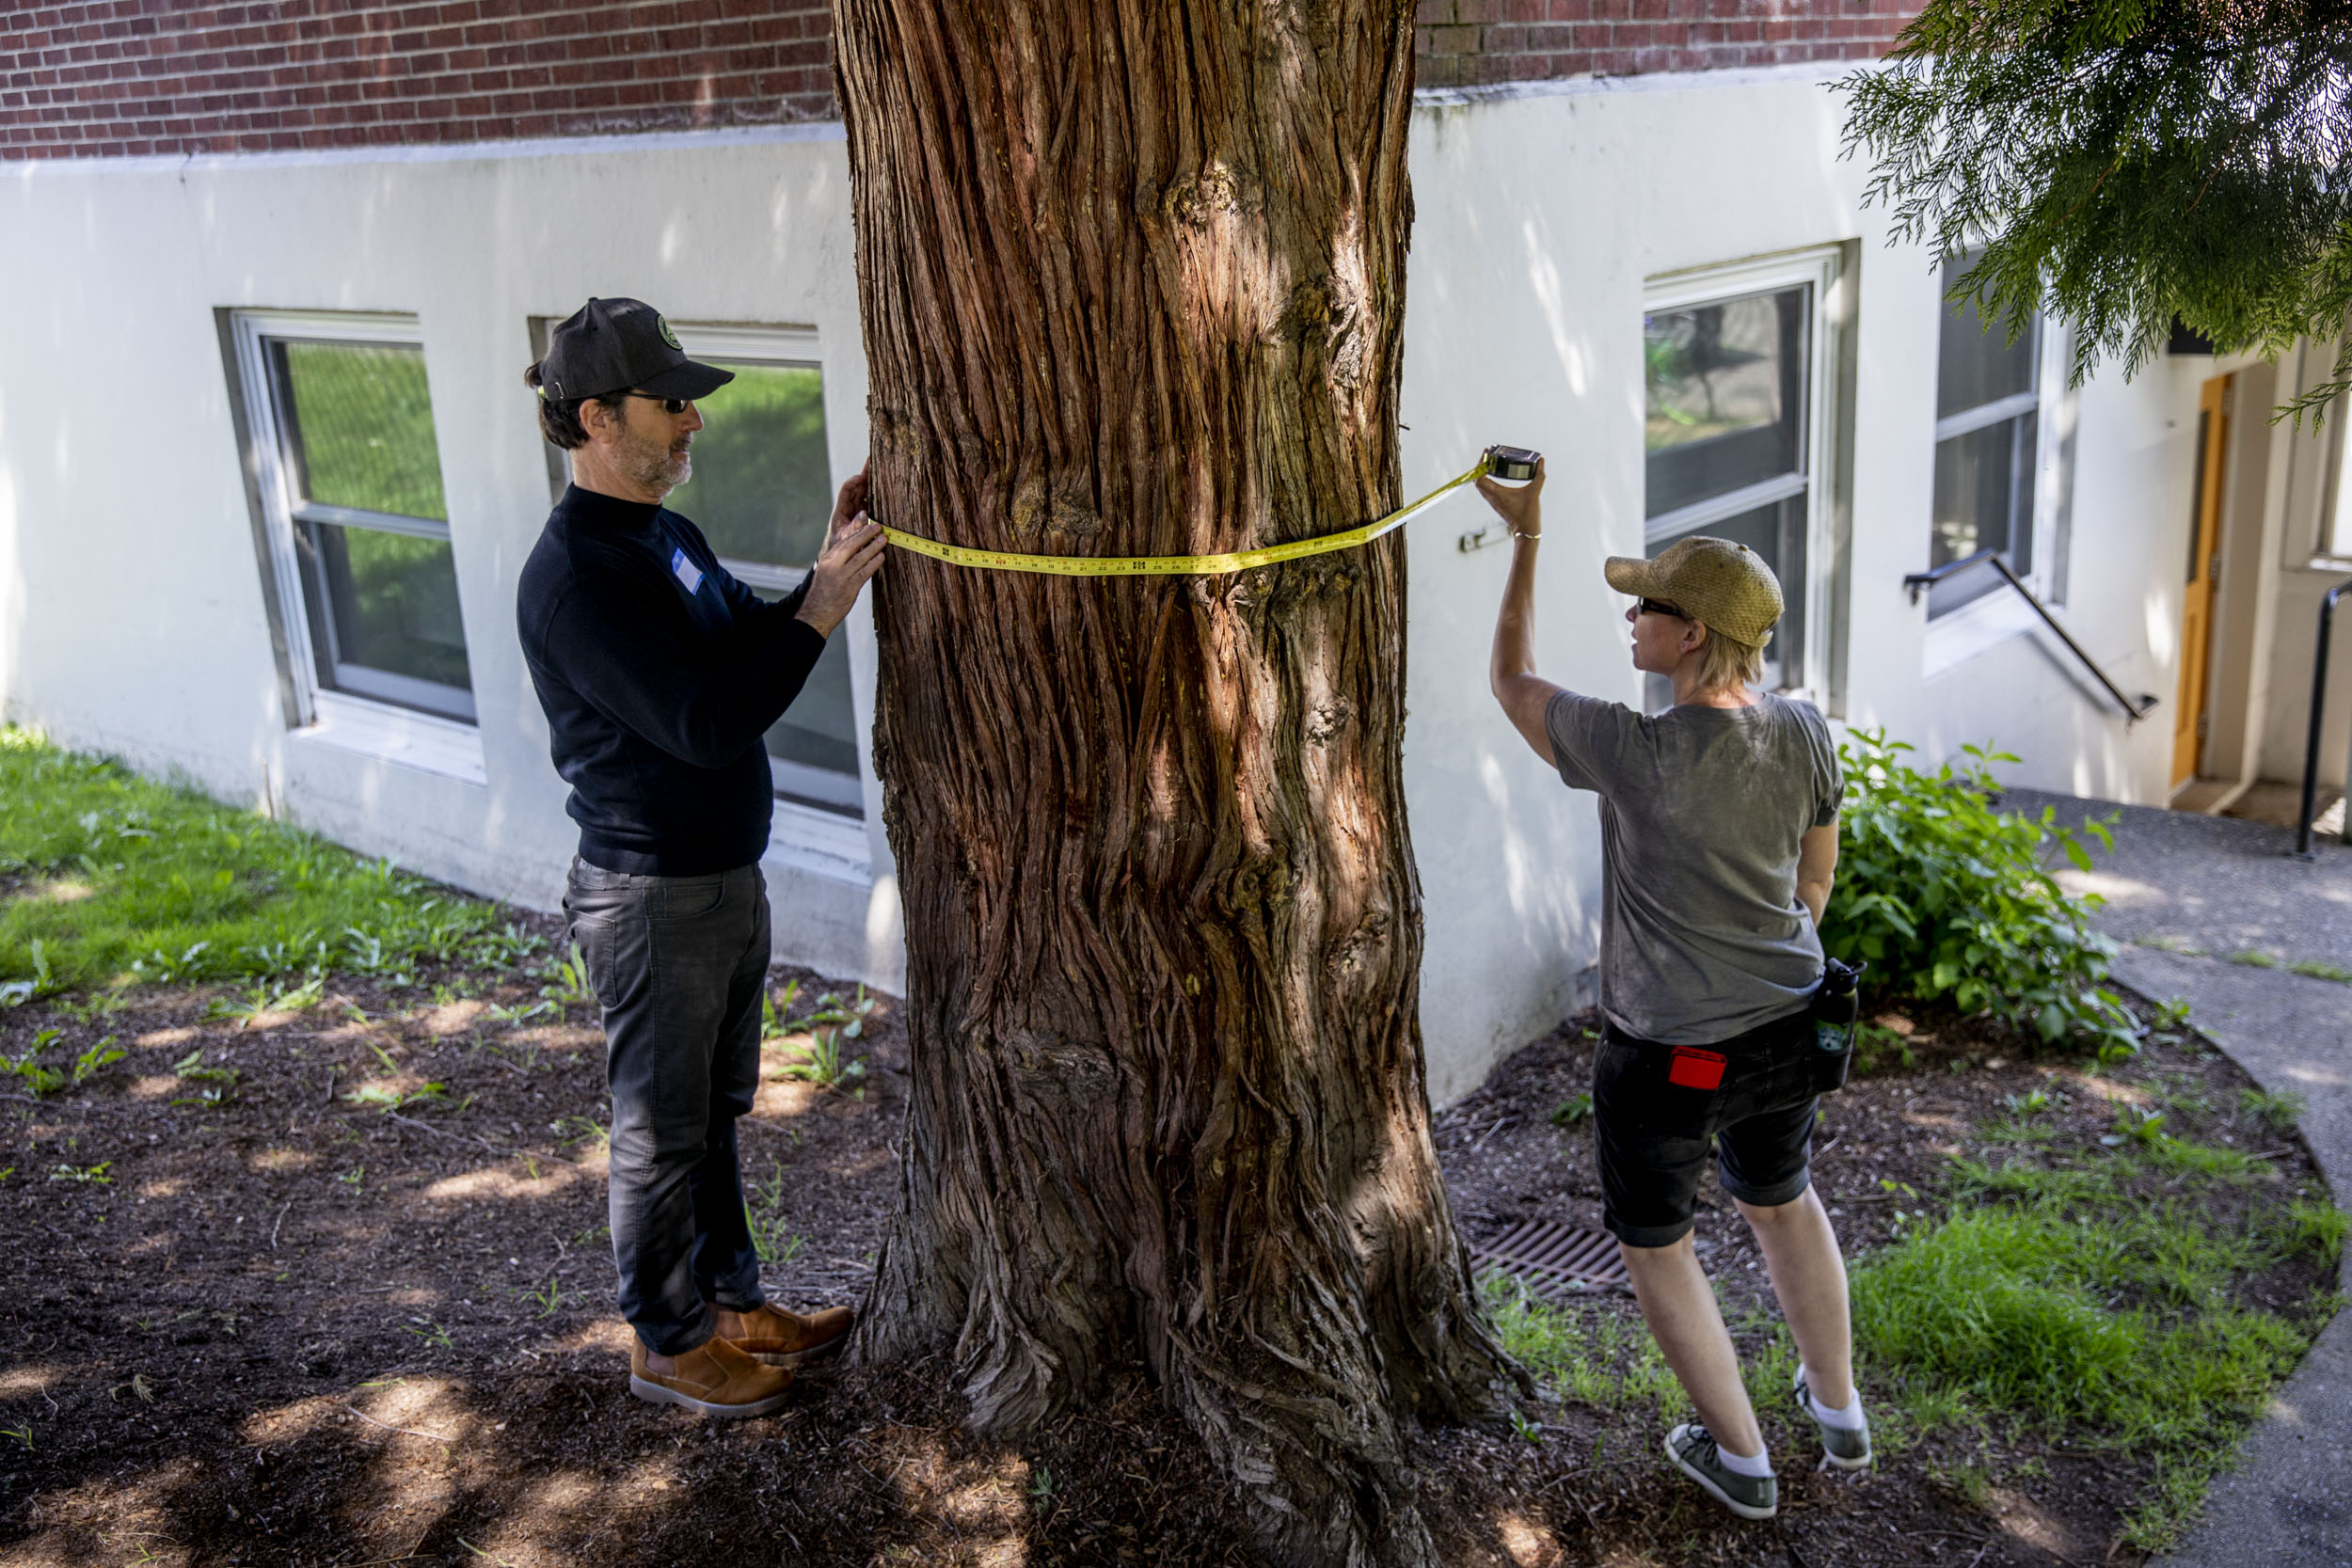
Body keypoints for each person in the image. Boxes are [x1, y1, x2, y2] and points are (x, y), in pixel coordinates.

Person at [516, 296, 886, 1418]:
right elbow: (708, 721)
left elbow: (741, 637)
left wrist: (817, 576)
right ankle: (666, 1339)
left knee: (711, 1113)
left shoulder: (660, 536)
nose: (693, 422)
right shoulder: (582, 577)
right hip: (652, 896)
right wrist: (823, 610)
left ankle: (731, 1303)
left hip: (721, 880)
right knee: (659, 1127)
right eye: (670, 402)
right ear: (595, 417)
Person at [1476, 459, 1867, 1519]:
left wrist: (1524, 539)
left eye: (1644, 606)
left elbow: (1511, 679)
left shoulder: (1633, 745)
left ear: (1690, 632)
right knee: (1782, 1199)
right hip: (1792, 1024)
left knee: (1657, 1243)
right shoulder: (1802, 729)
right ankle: (1837, 1411)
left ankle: (1739, 1458)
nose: (1631, 619)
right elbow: (1815, 880)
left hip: (1672, 1059)